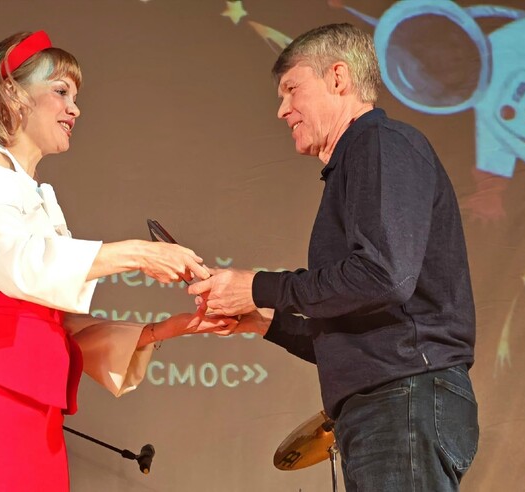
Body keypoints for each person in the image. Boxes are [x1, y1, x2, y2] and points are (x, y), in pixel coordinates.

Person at [0, 31, 235, 492]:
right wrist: (138, 253)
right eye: (60, 91)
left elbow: (53, 319)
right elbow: (22, 263)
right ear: (11, 93)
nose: (74, 109)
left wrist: (164, 330)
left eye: (75, 97)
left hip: (30, 395)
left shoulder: (37, 192)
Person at [189, 23, 478, 491]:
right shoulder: (359, 158)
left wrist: (257, 285)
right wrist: (264, 319)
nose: (282, 109)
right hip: (388, 401)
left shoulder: (380, 142)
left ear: (338, 78)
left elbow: (383, 277)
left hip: (403, 397)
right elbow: (355, 331)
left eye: (291, 89)